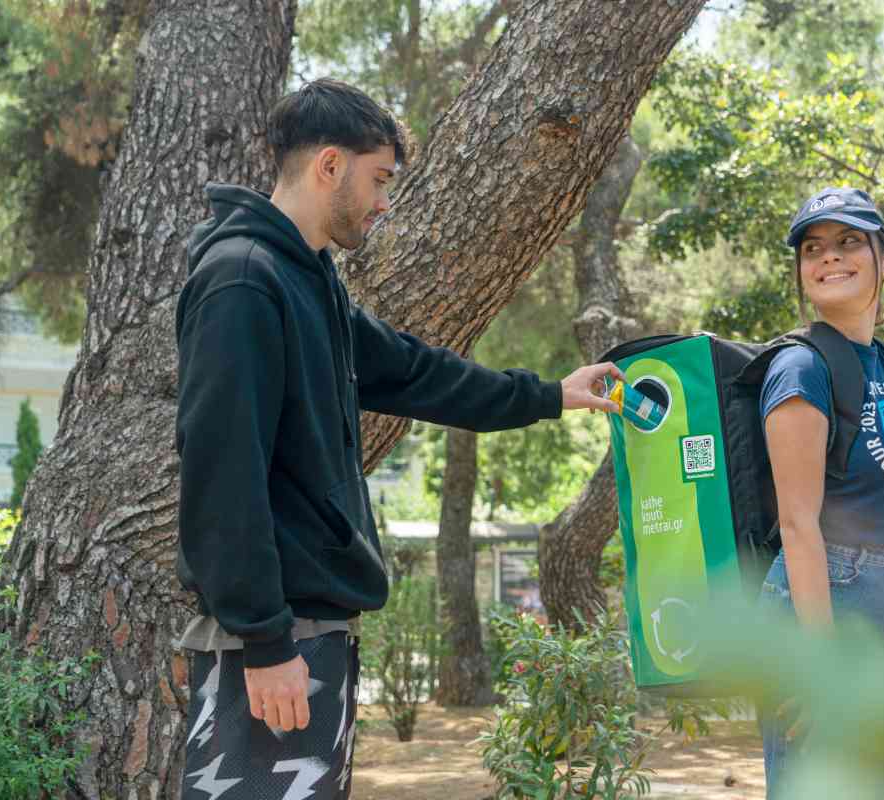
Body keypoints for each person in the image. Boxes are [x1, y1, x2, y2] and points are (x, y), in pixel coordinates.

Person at [174, 78, 622, 800]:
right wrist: (265, 641)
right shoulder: (243, 282)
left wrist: (547, 395)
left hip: (311, 633)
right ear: (328, 165)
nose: (385, 202)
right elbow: (223, 474)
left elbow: (414, 372)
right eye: (379, 179)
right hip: (274, 643)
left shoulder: (309, 281)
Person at [756, 187, 884, 798]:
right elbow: (798, 525)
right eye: (813, 248)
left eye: (850, 242)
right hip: (826, 607)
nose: (829, 258)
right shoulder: (800, 369)